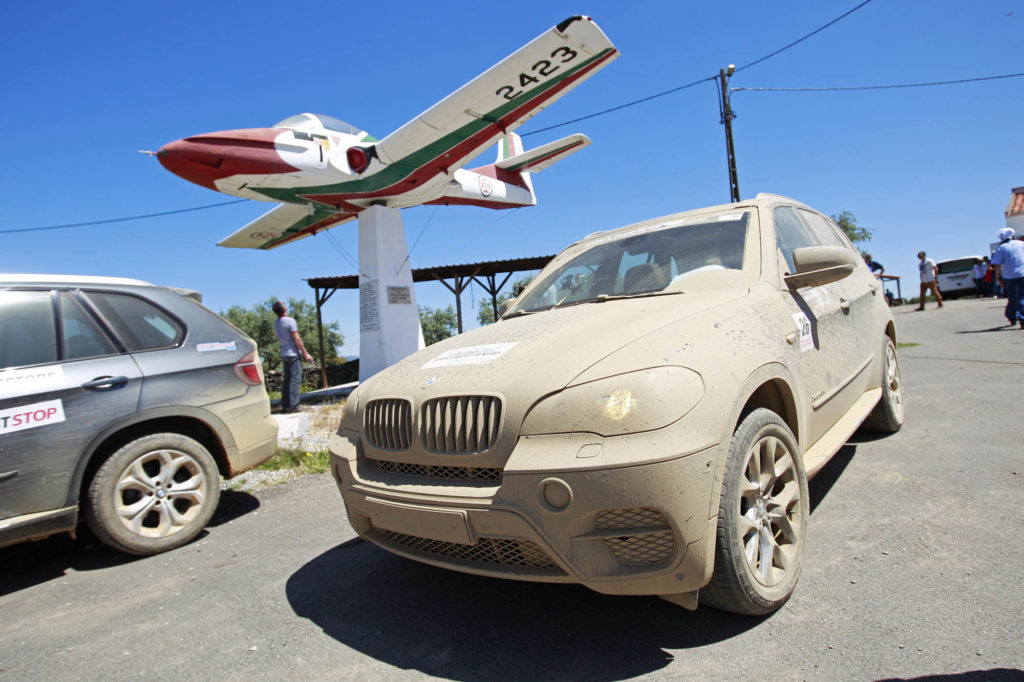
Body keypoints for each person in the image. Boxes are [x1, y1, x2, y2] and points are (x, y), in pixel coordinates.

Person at [272, 300, 314, 413]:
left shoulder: (277, 322)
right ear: (284, 309)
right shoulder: (290, 321)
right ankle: (294, 405)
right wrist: (306, 353)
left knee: (287, 380)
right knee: (295, 380)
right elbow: (297, 339)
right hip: (293, 354)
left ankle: (285, 405)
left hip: (284, 353)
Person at [991, 227, 1024, 328]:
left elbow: (997, 265)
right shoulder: (1021, 244)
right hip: (1022, 274)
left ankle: (1011, 316)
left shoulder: (1001, 248)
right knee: (1022, 296)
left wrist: (998, 278)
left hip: (1009, 276)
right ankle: (1021, 318)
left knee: (1012, 297)